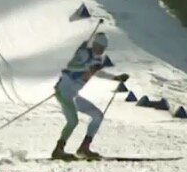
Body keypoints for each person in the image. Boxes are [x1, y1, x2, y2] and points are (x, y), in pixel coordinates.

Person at [51, 31, 129, 160]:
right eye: (99, 47)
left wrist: (116, 78)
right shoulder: (84, 53)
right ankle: (58, 150)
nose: (100, 50)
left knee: (98, 115)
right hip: (64, 91)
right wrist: (86, 67)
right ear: (94, 44)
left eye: (103, 48)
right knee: (73, 121)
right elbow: (71, 66)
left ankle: (84, 148)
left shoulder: (98, 58)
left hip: (74, 95)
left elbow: (96, 72)